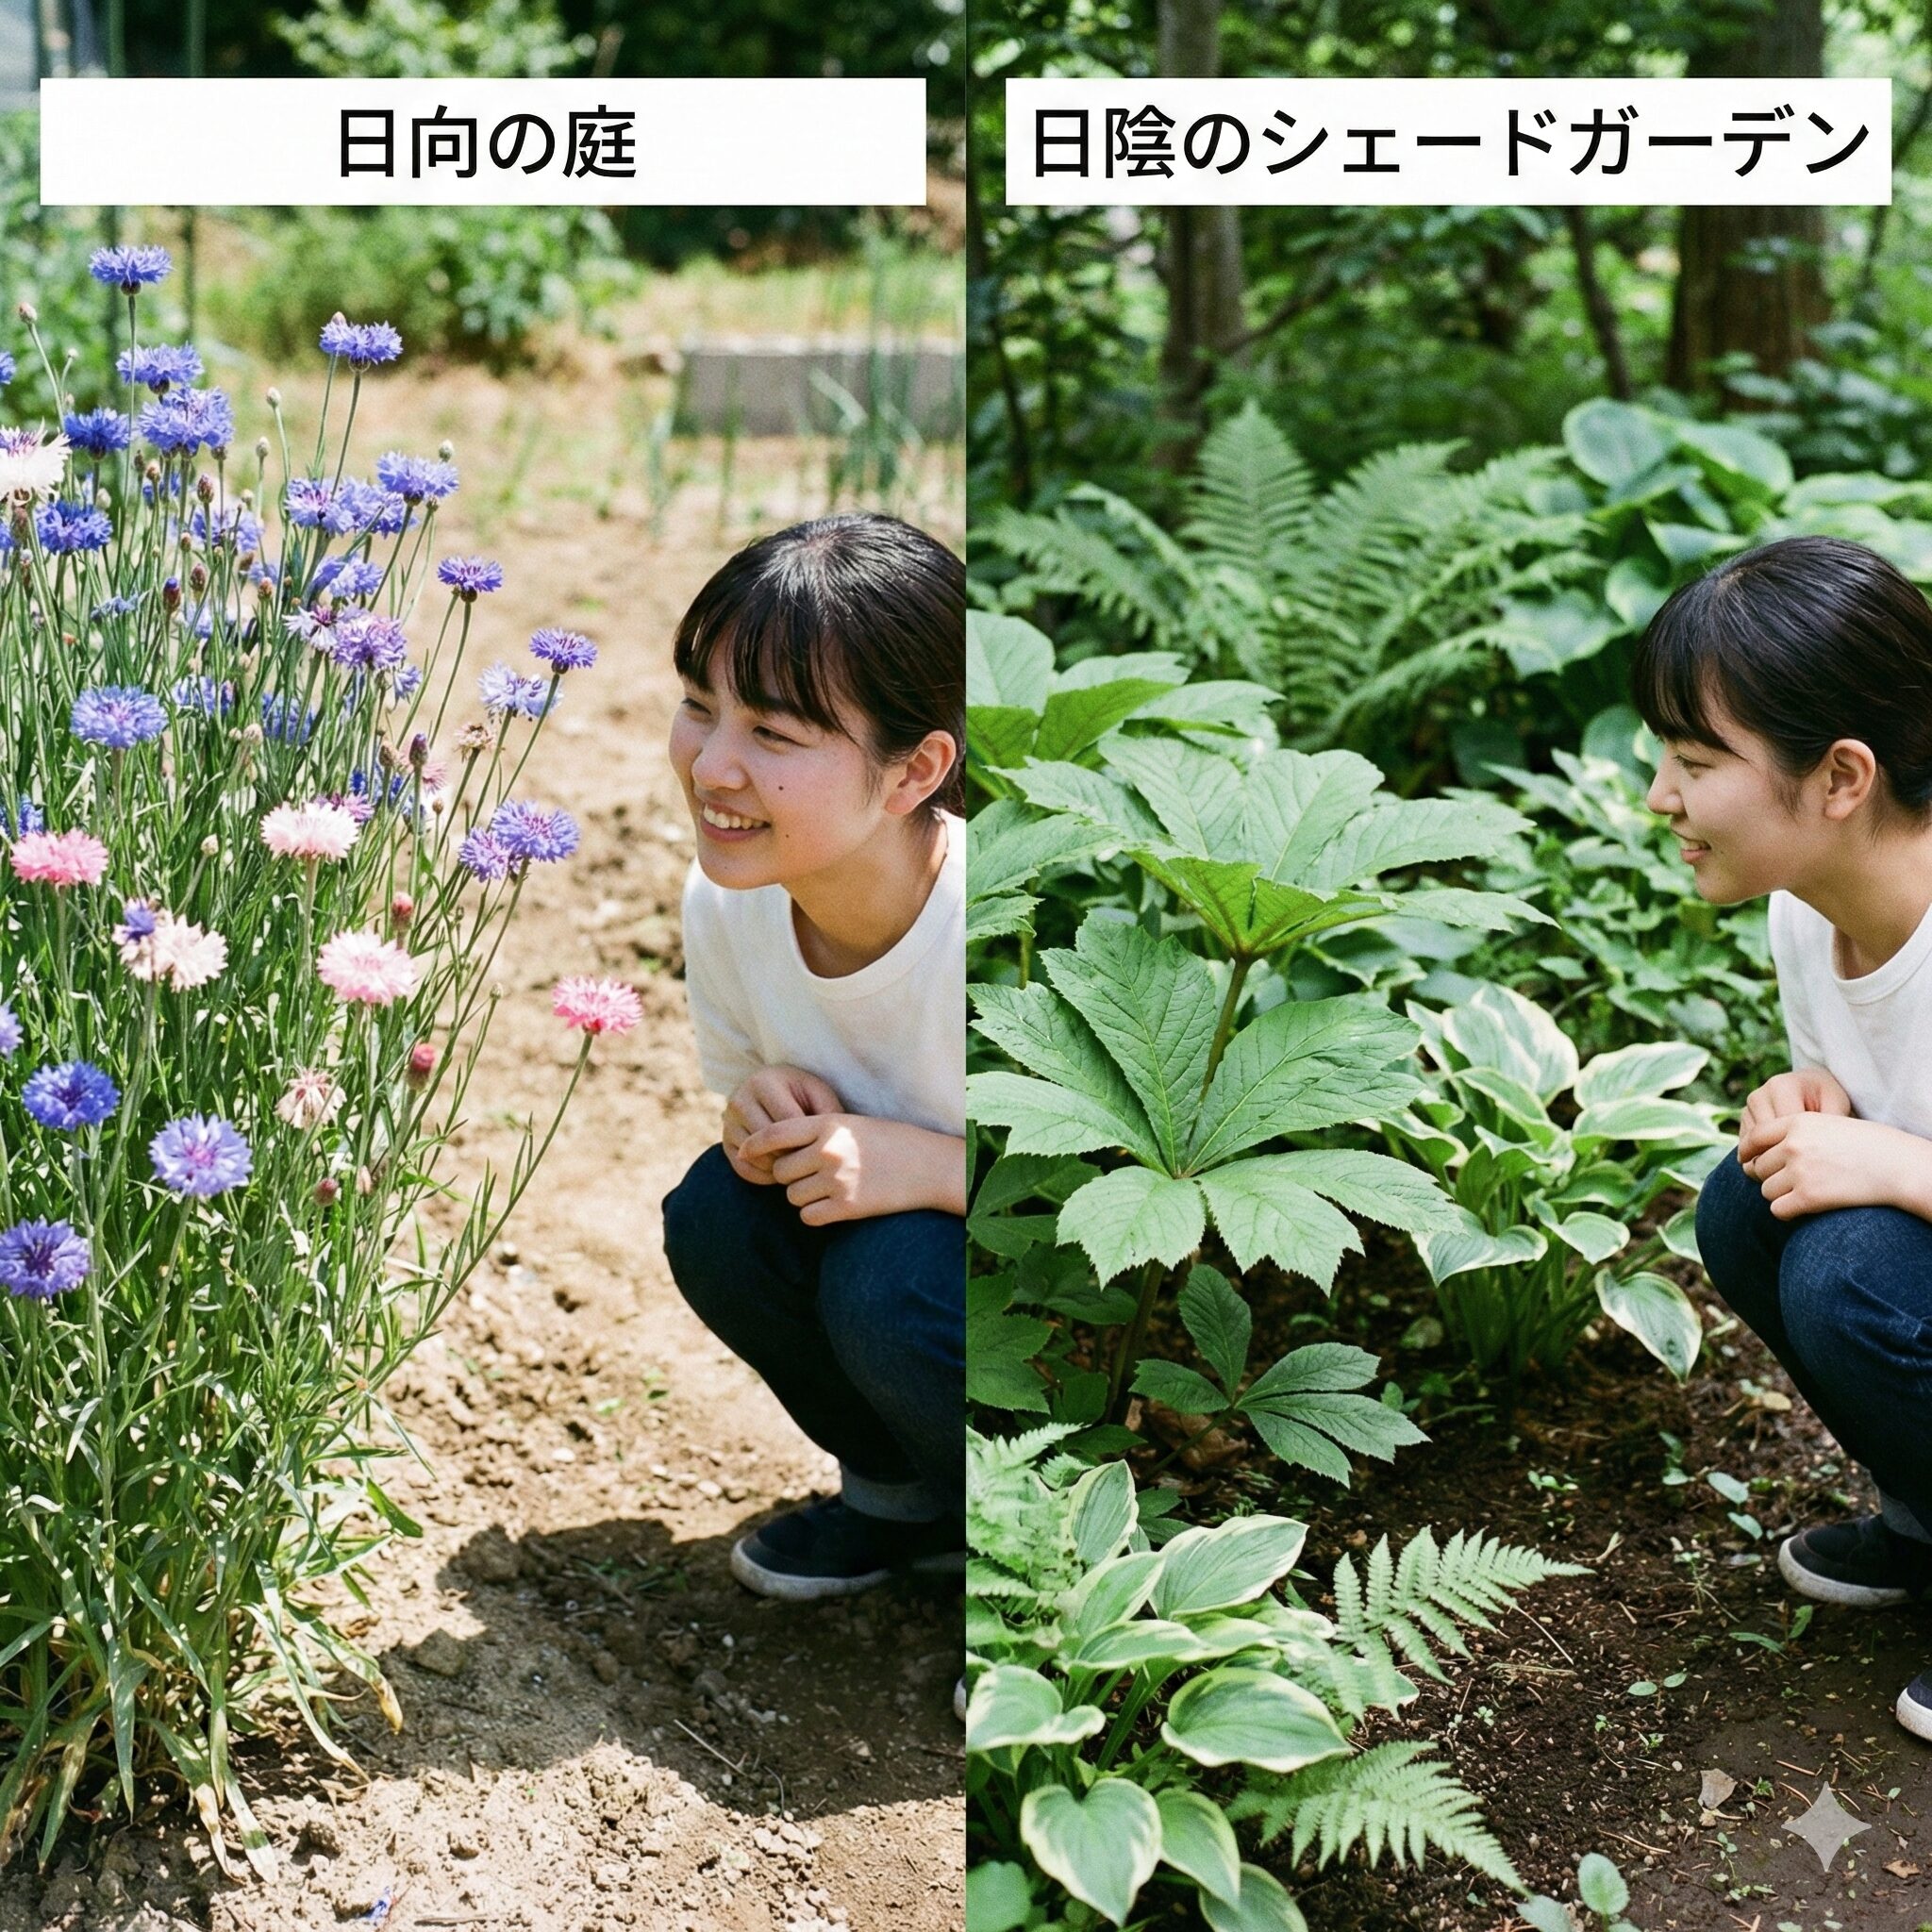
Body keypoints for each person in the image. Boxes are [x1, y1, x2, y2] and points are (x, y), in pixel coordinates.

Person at [1634, 534, 1932, 1742]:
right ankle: (1923, 1523)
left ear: (1840, 776)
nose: (1660, 796)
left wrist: (1900, 1167)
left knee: (1848, 1264)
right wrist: (1808, 1097)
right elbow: (1871, 1083)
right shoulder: (1807, 913)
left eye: (1696, 761)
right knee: (1747, 1203)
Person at [659, 511, 965, 1614]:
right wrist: (757, 1111)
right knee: (716, 1217)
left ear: (913, 769)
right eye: (701, 707)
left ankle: (1022, 1560)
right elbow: (741, 1084)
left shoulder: (994, 923)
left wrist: (931, 1169)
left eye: (774, 735)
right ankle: (900, 1497)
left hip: (1016, 1318)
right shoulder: (729, 898)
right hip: (895, 1278)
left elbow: (1098, 1218)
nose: (714, 764)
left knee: (893, 1285)